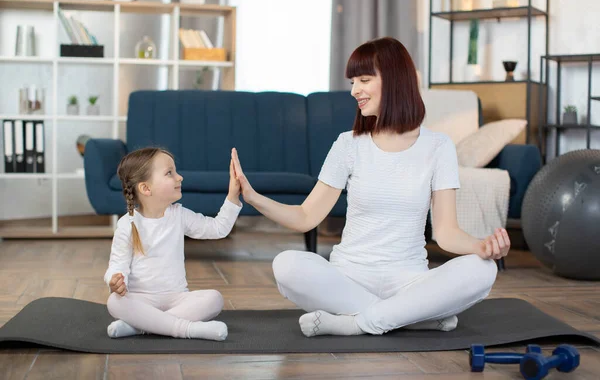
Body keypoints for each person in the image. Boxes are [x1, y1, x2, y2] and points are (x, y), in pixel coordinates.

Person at [230, 37, 510, 337]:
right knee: (286, 264)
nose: (354, 91)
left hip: (409, 281)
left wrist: (481, 247)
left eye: (364, 80)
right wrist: (253, 197)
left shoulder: (438, 147)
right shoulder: (348, 144)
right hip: (348, 277)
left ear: (394, 81)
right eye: (353, 81)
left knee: (483, 269)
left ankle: (358, 323)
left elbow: (446, 233)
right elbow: (306, 217)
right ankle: (410, 317)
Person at [104, 147, 242, 340]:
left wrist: (233, 195)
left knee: (214, 299)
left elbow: (218, 228)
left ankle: (140, 326)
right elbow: (117, 265)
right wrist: (115, 279)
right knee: (115, 302)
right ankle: (188, 329)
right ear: (146, 188)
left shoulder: (179, 215)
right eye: (170, 173)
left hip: (177, 299)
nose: (180, 177)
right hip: (140, 299)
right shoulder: (127, 224)